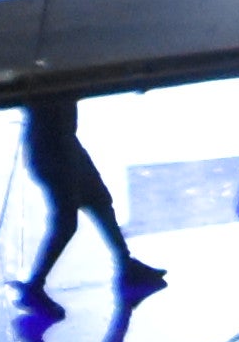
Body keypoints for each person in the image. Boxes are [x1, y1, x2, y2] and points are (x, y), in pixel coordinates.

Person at [15, 91, 164, 313]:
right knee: (67, 222)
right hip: (55, 151)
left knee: (99, 200)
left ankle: (126, 264)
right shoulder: (50, 70)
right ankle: (34, 287)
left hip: (61, 147)